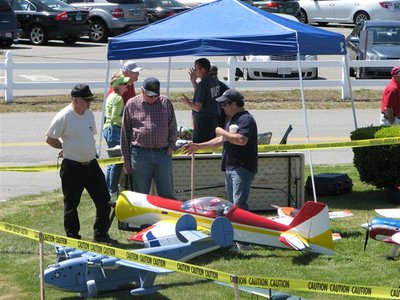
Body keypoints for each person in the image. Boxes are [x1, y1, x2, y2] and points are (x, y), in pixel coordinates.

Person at [45, 84, 117, 244]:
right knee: (71, 205)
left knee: (104, 200)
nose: (89, 103)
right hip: (72, 167)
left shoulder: (89, 114)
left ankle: (101, 234)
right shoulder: (64, 116)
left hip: (91, 165)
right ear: (76, 100)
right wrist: (64, 147)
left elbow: (88, 136)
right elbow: (50, 138)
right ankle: (73, 238)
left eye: (90, 100)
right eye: (86, 100)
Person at [183, 89, 258, 212]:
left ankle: (246, 228)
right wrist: (198, 146)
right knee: (231, 205)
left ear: (234, 104)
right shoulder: (232, 119)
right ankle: (233, 228)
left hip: (242, 167)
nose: (222, 107)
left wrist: (222, 131)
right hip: (230, 167)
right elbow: (221, 140)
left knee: (239, 204)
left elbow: (241, 140)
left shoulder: (246, 119)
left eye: (224, 104)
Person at [120, 77, 178, 199]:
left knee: (167, 193)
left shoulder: (165, 102)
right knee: (140, 195)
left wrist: (170, 147)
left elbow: (173, 127)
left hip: (163, 154)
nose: (152, 98)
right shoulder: (131, 104)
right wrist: (126, 159)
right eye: (149, 95)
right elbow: (125, 133)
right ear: (142, 91)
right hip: (140, 155)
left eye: (155, 96)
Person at [181, 58, 221, 143]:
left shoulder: (202, 84)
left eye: (196, 68)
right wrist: (193, 82)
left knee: (200, 146)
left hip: (203, 122)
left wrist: (187, 103)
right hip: (214, 119)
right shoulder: (214, 81)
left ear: (202, 69)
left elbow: (198, 107)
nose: (194, 70)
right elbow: (203, 95)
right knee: (211, 144)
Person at [103, 73, 130, 201]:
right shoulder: (119, 98)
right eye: (124, 84)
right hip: (114, 129)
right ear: (118, 86)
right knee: (117, 162)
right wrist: (127, 119)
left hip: (108, 129)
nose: (127, 86)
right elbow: (114, 117)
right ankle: (113, 191)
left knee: (111, 162)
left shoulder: (111, 96)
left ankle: (108, 189)